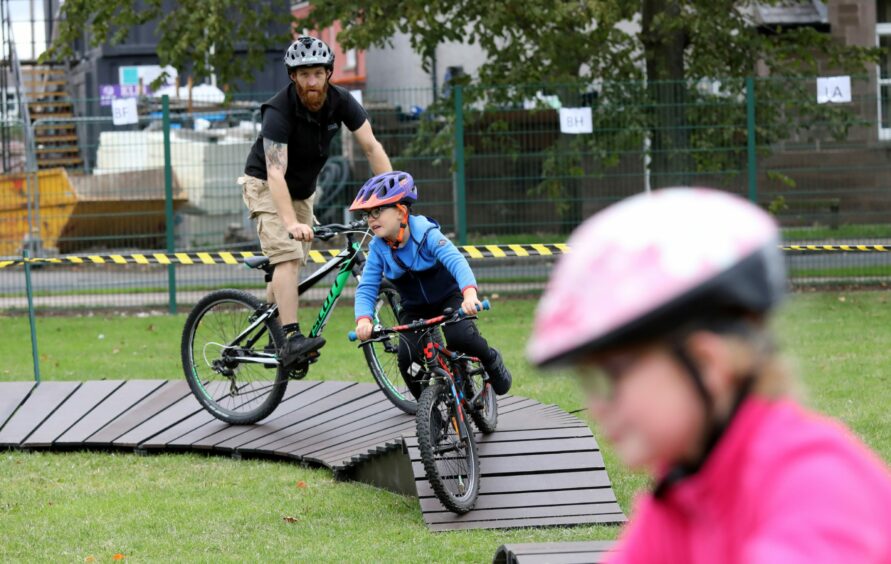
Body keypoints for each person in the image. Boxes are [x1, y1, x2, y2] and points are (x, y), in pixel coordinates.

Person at [528, 188, 891, 563]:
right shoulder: (685, 494)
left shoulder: (817, 487)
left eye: (614, 376)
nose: (596, 405)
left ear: (707, 364)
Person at [240, 36, 392, 367]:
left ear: (328, 74)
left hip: (304, 191)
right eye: (304, 74)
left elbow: (371, 147)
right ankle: (291, 337)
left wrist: (393, 195)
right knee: (288, 257)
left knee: (289, 264)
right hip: (265, 184)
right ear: (293, 77)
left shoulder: (341, 102)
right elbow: (275, 174)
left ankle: (273, 336)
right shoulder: (278, 111)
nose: (312, 82)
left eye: (318, 74)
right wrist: (292, 223)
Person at [351, 171, 512, 398]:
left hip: (449, 298)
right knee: (408, 360)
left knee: (461, 338)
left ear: (401, 212)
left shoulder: (426, 233)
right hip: (415, 308)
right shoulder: (378, 247)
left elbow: (456, 262)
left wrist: (468, 295)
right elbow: (367, 286)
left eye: (377, 211)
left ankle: (490, 358)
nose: (371, 218)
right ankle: (429, 407)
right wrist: (364, 319)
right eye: (367, 214)